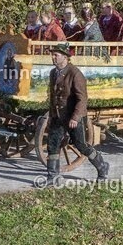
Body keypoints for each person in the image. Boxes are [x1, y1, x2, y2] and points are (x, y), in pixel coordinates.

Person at [35, 43, 109, 187]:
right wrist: (51, 116)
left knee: (81, 145)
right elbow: (53, 97)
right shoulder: (53, 73)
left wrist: (75, 118)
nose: (53, 57)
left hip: (73, 117)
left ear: (65, 57)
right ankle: (52, 176)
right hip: (57, 116)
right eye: (53, 55)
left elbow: (82, 99)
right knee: (53, 145)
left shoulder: (75, 73)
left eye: (56, 55)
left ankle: (102, 166)